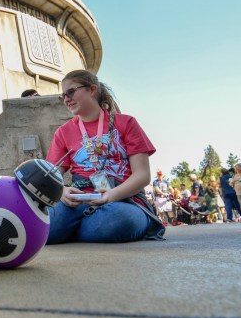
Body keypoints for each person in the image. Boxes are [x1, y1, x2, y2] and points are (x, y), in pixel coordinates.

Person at [45, 70, 165, 244]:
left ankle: (78, 230)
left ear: (92, 90)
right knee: (47, 225)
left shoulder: (127, 123)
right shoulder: (63, 132)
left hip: (124, 200)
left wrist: (110, 196)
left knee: (114, 221)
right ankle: (84, 228)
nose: (66, 99)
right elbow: (51, 175)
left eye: (71, 92)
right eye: (63, 96)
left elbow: (142, 175)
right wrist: (62, 191)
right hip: (80, 200)